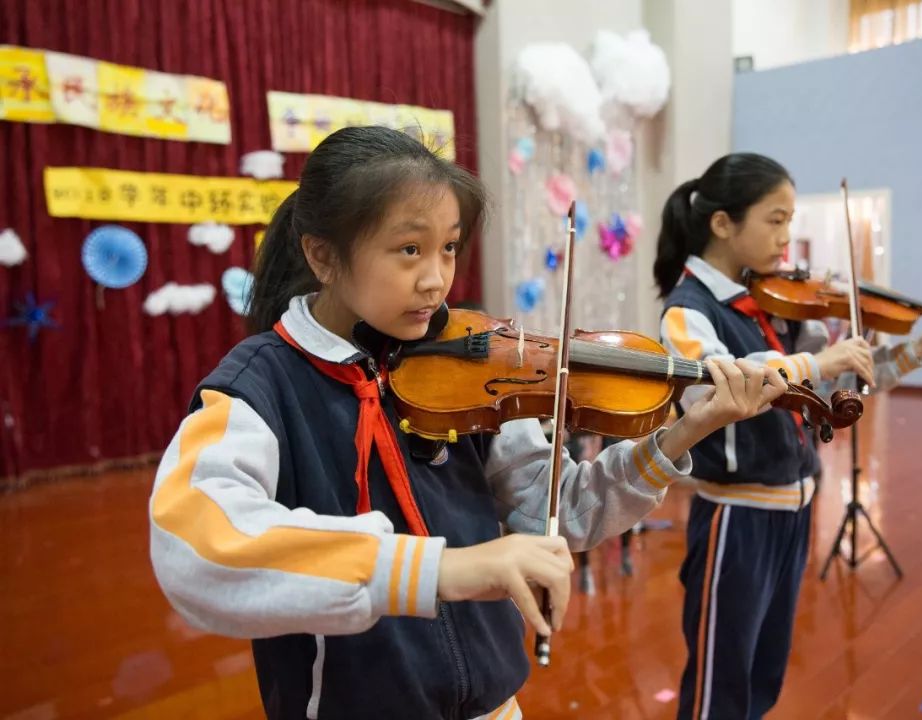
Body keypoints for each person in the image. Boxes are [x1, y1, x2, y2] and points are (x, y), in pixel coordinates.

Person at [148, 127, 787, 720]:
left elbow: (564, 511)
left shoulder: (467, 358)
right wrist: (447, 570)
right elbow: (195, 546)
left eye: (449, 247)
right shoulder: (262, 382)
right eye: (409, 249)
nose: (437, 280)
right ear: (323, 254)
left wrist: (683, 432)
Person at [654, 152, 922, 720]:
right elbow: (725, 388)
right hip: (737, 517)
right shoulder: (687, 312)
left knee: (763, 675)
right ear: (723, 224)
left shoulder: (778, 306)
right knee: (719, 683)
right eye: (775, 219)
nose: (788, 237)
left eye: (790, 219)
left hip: (794, 513)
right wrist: (817, 359)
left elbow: (845, 382)